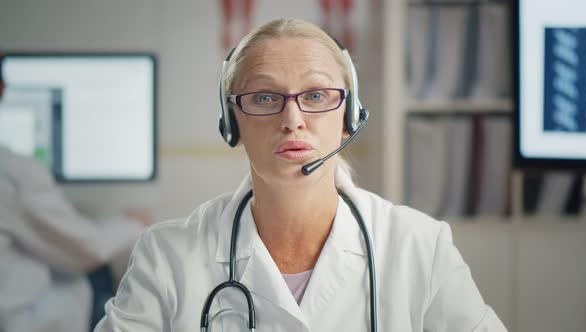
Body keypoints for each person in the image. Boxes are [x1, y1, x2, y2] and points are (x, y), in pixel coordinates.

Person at [95, 19, 507, 331]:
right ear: (231, 124)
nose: (293, 119)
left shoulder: (419, 247)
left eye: (315, 96)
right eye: (264, 97)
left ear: (349, 116)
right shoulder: (167, 255)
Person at [0, 54, 151, 332]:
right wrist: (135, 223)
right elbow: (87, 249)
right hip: (21, 319)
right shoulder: (12, 172)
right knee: (106, 277)